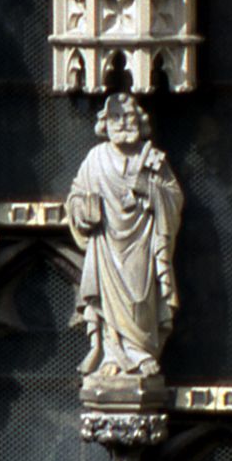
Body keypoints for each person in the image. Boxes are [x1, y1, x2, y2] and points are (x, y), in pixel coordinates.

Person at [66, 93, 184, 378]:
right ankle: (113, 353)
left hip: (141, 241)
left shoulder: (152, 158)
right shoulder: (95, 159)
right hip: (106, 242)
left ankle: (141, 350)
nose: (122, 123)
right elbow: (75, 196)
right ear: (105, 124)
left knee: (140, 297)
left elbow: (174, 197)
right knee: (108, 300)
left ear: (140, 122)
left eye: (129, 117)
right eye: (115, 117)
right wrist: (83, 209)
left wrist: (150, 190)